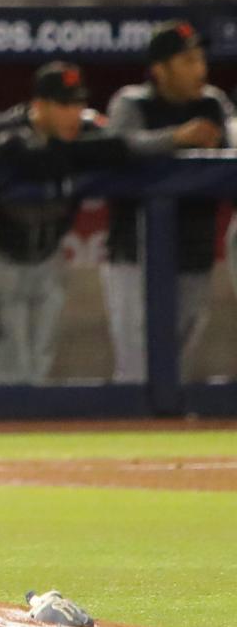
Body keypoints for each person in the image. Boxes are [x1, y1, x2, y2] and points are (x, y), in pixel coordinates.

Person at [0, 63, 136, 385]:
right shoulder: (5, 128)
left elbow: (121, 147)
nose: (74, 113)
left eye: (77, 103)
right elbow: (31, 161)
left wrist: (73, 152)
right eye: (64, 105)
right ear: (39, 105)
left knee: (38, 370)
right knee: (9, 375)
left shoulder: (87, 126)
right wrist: (81, 155)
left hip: (48, 261)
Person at [101, 21, 235, 383]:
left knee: (177, 363)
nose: (200, 69)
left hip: (194, 250)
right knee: (136, 365)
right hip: (135, 253)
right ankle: (129, 434)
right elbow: (118, 146)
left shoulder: (213, 103)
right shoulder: (133, 102)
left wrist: (219, 145)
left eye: (200, 59)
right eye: (188, 60)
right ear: (160, 70)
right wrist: (177, 138)